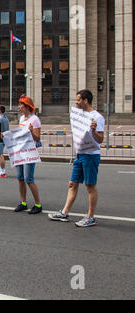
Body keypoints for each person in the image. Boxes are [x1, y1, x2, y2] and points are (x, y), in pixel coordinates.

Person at [49, 89, 105, 227]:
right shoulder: (79, 115)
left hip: (91, 156)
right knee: (72, 183)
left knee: (90, 186)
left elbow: (100, 139)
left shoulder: (97, 117)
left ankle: (90, 217)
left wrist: (93, 131)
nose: (76, 102)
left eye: (78, 99)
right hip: (79, 155)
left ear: (86, 100)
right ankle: (64, 212)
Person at [14, 94, 42, 214]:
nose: (19, 107)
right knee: (20, 178)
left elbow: (37, 138)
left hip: (29, 152)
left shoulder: (35, 119)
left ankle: (38, 204)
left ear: (27, 106)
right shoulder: (21, 119)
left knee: (28, 179)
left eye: (21, 105)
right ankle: (23, 202)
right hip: (20, 151)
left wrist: (31, 131)